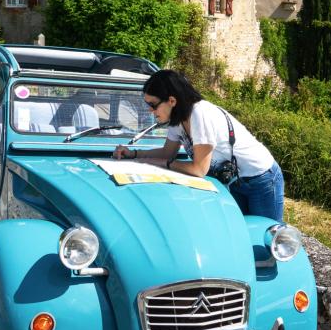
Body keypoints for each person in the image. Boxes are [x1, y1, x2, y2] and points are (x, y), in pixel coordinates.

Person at [113, 70, 284, 221]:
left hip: (261, 178)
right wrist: (134, 154)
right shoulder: (176, 120)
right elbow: (167, 152)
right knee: (240, 233)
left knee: (266, 237)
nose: (150, 111)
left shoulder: (199, 114)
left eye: (152, 105)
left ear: (172, 101)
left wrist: (165, 164)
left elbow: (198, 169)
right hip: (235, 180)